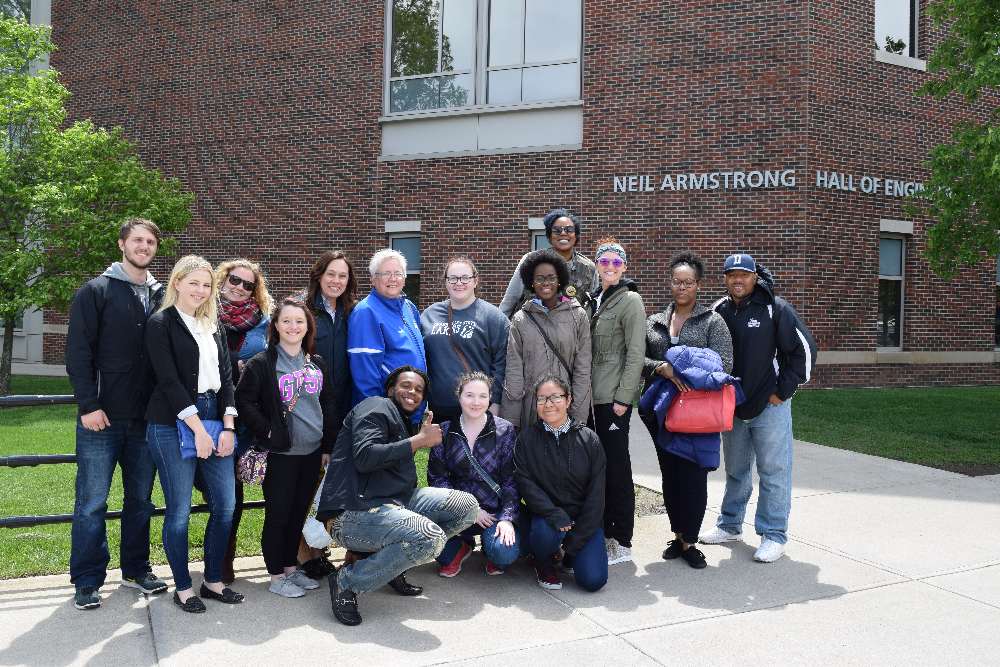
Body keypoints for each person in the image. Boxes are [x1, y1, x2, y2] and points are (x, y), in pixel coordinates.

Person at [316, 366, 479, 626]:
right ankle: (348, 581)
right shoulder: (375, 406)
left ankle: (390, 567)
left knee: (466, 506)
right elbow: (365, 456)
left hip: (392, 504)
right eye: (405, 385)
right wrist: (419, 440)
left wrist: (415, 438)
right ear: (390, 389)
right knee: (429, 537)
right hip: (351, 513)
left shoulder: (403, 422)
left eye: (419, 389)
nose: (412, 392)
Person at [65, 218, 168, 610]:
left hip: (147, 420)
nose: (144, 246)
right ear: (122, 243)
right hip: (101, 419)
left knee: (140, 500)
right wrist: (89, 405)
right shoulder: (96, 291)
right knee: (92, 502)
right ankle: (87, 580)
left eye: (150, 242)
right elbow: (78, 353)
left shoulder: (162, 295)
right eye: (137, 240)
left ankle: (136, 569)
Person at [699, 253, 816, 563]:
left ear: (755, 277)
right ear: (725, 279)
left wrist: (782, 391)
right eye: (732, 275)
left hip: (769, 406)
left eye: (744, 274)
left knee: (773, 471)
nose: (738, 280)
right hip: (733, 407)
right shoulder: (719, 310)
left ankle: (773, 534)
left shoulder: (776, 308)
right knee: (736, 471)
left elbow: (804, 351)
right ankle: (730, 525)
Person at [145, 255, 243, 613]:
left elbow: (227, 378)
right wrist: (199, 430)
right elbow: (168, 381)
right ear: (177, 283)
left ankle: (213, 580)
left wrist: (228, 426)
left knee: (226, 505)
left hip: (216, 416)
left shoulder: (212, 324)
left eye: (206, 285)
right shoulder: (160, 323)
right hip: (171, 422)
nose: (200, 291)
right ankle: (184, 588)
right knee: (179, 511)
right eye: (193, 283)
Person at [236, 298, 339, 598]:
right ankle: (276, 576)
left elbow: (328, 404)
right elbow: (244, 401)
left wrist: (327, 445)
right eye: (286, 321)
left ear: (308, 327)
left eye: (299, 321)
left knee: (297, 515)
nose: (293, 327)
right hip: (281, 454)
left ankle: (291, 569)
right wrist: (267, 430)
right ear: (276, 326)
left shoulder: (316, 363)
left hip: (312, 452)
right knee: (278, 515)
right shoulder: (262, 363)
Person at [640, 252, 733, 569]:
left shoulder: (712, 322)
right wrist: (661, 368)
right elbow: (637, 360)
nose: (682, 287)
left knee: (693, 477)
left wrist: (684, 370)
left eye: (688, 282)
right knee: (670, 476)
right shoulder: (654, 322)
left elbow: (724, 364)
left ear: (698, 285)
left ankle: (690, 541)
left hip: (698, 413)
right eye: (677, 282)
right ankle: (678, 535)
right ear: (670, 283)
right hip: (661, 412)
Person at [514, 376, 607, 592]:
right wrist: (553, 513)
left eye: (555, 397)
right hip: (546, 518)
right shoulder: (526, 439)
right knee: (544, 531)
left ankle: (567, 555)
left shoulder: (589, 440)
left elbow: (597, 495)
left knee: (593, 580)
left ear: (568, 400)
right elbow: (525, 483)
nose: (548, 404)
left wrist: (575, 542)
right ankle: (543, 561)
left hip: (582, 520)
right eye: (541, 399)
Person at [212, 258, 273, 584]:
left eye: (248, 284)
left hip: (249, 418)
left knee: (239, 492)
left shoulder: (264, 323)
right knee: (223, 493)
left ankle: (227, 558)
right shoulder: (204, 315)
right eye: (234, 280)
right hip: (211, 416)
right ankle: (220, 553)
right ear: (222, 279)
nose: (239, 287)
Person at [588, 238, 646, 566]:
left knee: (617, 469)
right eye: (604, 261)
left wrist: (624, 398)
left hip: (613, 400)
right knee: (598, 469)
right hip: (590, 398)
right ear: (597, 265)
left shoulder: (630, 300)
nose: (610, 267)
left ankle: (621, 540)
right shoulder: (593, 300)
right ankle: (600, 531)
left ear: (624, 267)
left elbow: (636, 352)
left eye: (616, 262)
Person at [428, 372, 520, 577]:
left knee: (503, 552)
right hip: (456, 511)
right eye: (469, 395)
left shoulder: (504, 431)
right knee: (429, 542)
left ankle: (490, 548)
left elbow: (511, 480)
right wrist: (469, 509)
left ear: (490, 398)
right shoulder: (445, 431)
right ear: (459, 396)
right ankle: (461, 547)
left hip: (493, 513)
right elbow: (437, 478)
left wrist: (506, 518)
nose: (476, 402)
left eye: (482, 396)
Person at [500, 249, 592, 430]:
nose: (546, 283)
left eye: (551, 277)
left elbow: (582, 368)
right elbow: (514, 371)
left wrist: (578, 417)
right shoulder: (520, 319)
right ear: (531, 282)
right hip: (532, 407)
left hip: (565, 407)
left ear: (560, 280)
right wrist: (511, 421)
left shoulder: (577, 316)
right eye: (539, 278)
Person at [421, 256, 508, 424]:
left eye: (465, 278)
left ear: (475, 281)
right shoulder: (429, 315)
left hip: (477, 410)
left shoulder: (493, 317)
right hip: (438, 411)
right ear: (446, 282)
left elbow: (501, 364)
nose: (459, 283)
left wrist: (495, 402)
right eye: (453, 278)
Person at [347, 249, 426, 409]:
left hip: (412, 406)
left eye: (398, 273)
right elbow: (364, 373)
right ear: (373, 279)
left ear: (404, 278)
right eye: (386, 273)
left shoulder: (409, 308)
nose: (393, 278)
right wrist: (377, 413)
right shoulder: (366, 311)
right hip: (389, 411)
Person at [499, 208, 599, 317]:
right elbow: (509, 301)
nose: (563, 233)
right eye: (557, 230)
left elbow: (593, 307)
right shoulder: (531, 261)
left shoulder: (589, 268)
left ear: (576, 235)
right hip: (530, 325)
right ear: (549, 236)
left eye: (569, 230)